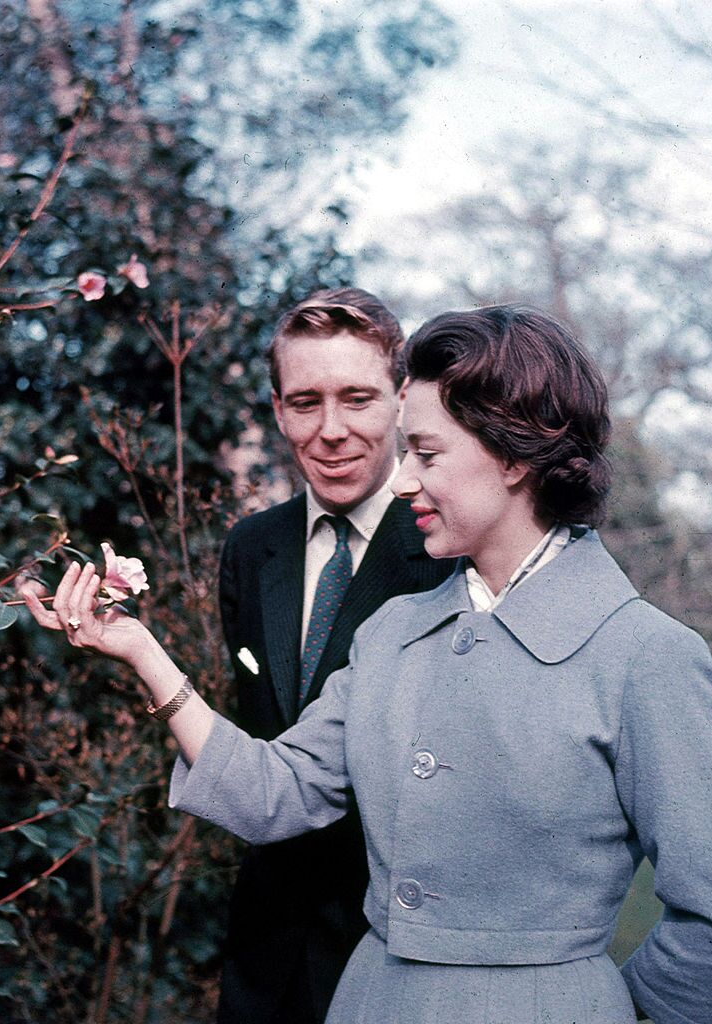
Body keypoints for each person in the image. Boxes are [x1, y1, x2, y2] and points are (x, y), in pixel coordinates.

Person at [22, 304, 712, 1024]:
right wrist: (139, 648)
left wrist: (600, 1005)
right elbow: (270, 793)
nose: (404, 480)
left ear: (514, 456)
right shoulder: (391, 633)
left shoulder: (647, 658)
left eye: (427, 452)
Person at [215, 288, 454, 1023]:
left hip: (399, 957)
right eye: (304, 401)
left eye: (356, 398)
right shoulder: (250, 549)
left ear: (400, 400)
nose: (330, 431)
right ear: (278, 410)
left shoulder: (452, 548)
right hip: (263, 963)